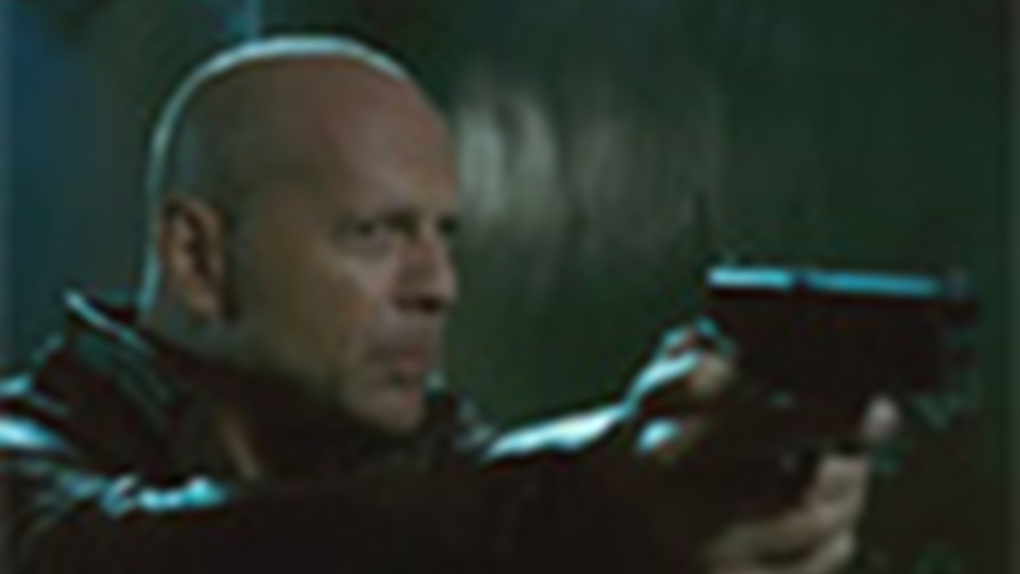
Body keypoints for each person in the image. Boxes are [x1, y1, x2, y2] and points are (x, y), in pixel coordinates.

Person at [0, 35, 896, 574]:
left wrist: (725, 511)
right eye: (374, 234)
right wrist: (571, 507)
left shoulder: (427, 456)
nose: (438, 286)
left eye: (443, 235)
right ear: (198, 257)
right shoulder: (26, 458)